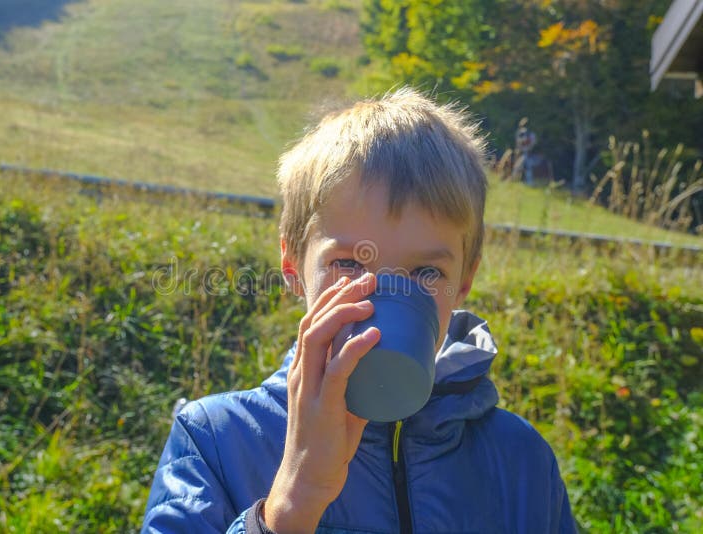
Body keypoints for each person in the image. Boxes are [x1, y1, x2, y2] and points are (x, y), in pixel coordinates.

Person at [142, 88, 576, 533]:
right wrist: (294, 501)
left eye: (425, 271)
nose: (380, 299)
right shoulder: (217, 442)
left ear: (464, 280)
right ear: (293, 266)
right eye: (349, 264)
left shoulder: (521, 462)